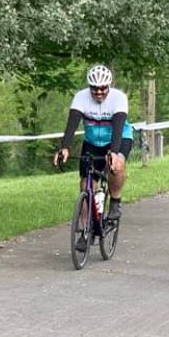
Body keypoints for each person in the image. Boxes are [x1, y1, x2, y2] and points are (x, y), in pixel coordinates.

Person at [54, 65, 134, 248]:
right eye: (94, 88)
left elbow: (118, 127)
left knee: (117, 165)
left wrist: (113, 153)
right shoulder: (80, 97)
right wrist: (64, 148)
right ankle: (85, 231)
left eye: (103, 88)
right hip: (92, 141)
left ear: (109, 85)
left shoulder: (118, 98)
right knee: (85, 184)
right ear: (89, 87)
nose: (99, 92)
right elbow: (72, 124)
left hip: (119, 138)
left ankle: (115, 202)